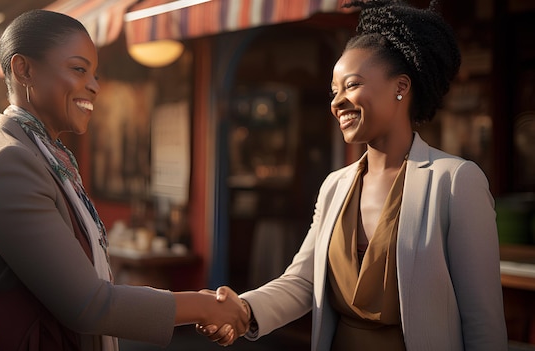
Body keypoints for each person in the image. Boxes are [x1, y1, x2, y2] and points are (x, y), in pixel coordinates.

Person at [198, 0, 508, 350]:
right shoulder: (336, 186)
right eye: (334, 91)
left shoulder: (455, 182)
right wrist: (244, 308)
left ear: (401, 87)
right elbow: (303, 281)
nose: (337, 102)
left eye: (352, 85)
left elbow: (483, 323)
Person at [0, 9, 247, 351]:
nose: (95, 86)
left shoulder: (43, 153)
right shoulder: (7, 160)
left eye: (95, 74)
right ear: (24, 69)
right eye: (79, 69)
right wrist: (203, 306)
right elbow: (89, 304)